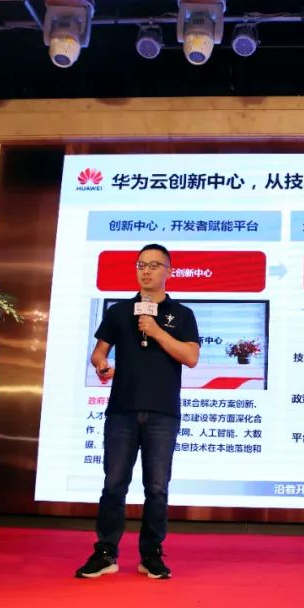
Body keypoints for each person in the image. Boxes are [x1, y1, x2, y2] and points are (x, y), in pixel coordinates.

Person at [76, 243, 200, 580]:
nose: (146, 271)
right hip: (122, 410)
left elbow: (190, 357)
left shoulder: (182, 315)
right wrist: (102, 364)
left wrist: (157, 331)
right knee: (114, 484)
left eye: (154, 265)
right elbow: (98, 352)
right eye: (141, 264)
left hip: (163, 412)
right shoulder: (119, 311)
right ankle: (105, 552)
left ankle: (151, 554)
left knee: (157, 487)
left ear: (169, 271)